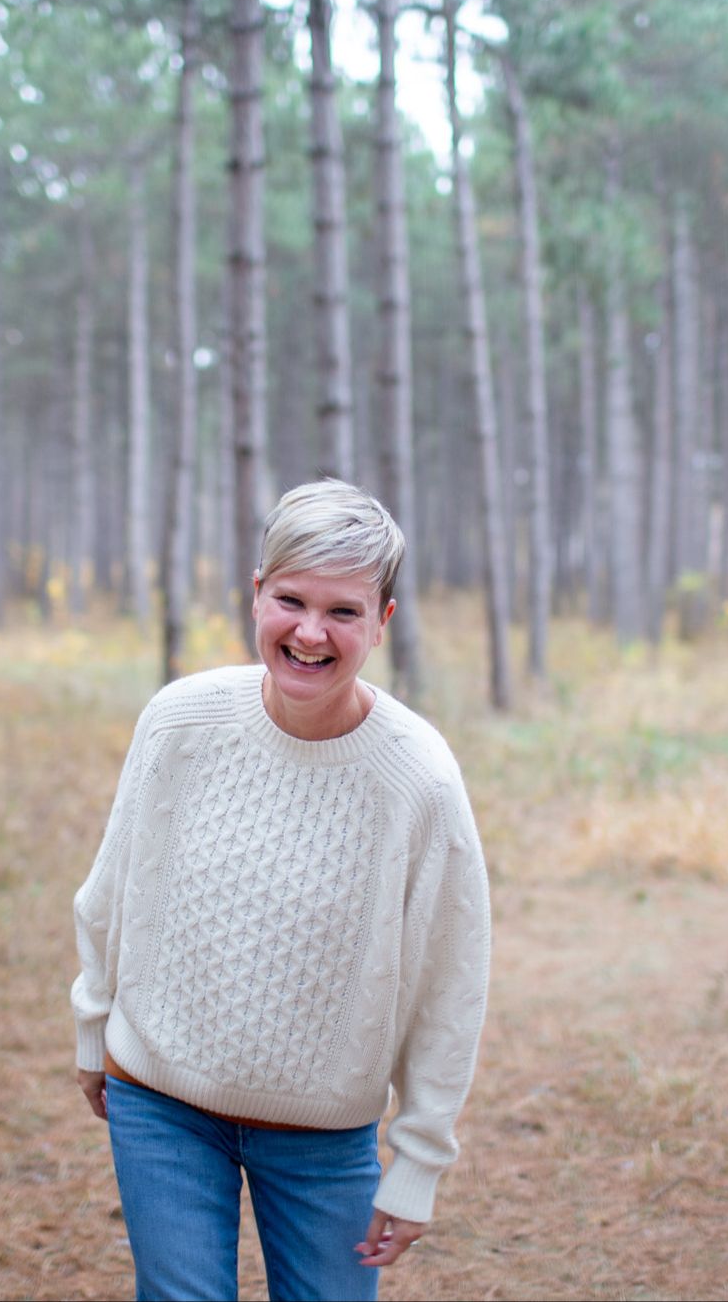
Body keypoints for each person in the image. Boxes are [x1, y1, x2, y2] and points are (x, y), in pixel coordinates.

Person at [71, 479, 491, 1302]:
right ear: (256, 593)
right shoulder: (179, 722)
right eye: (291, 600)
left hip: (323, 1135)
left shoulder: (419, 780)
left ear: (382, 620)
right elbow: (113, 886)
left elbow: (451, 985)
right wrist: (95, 1029)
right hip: (160, 1102)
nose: (309, 632)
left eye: (342, 611)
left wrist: (417, 1161)